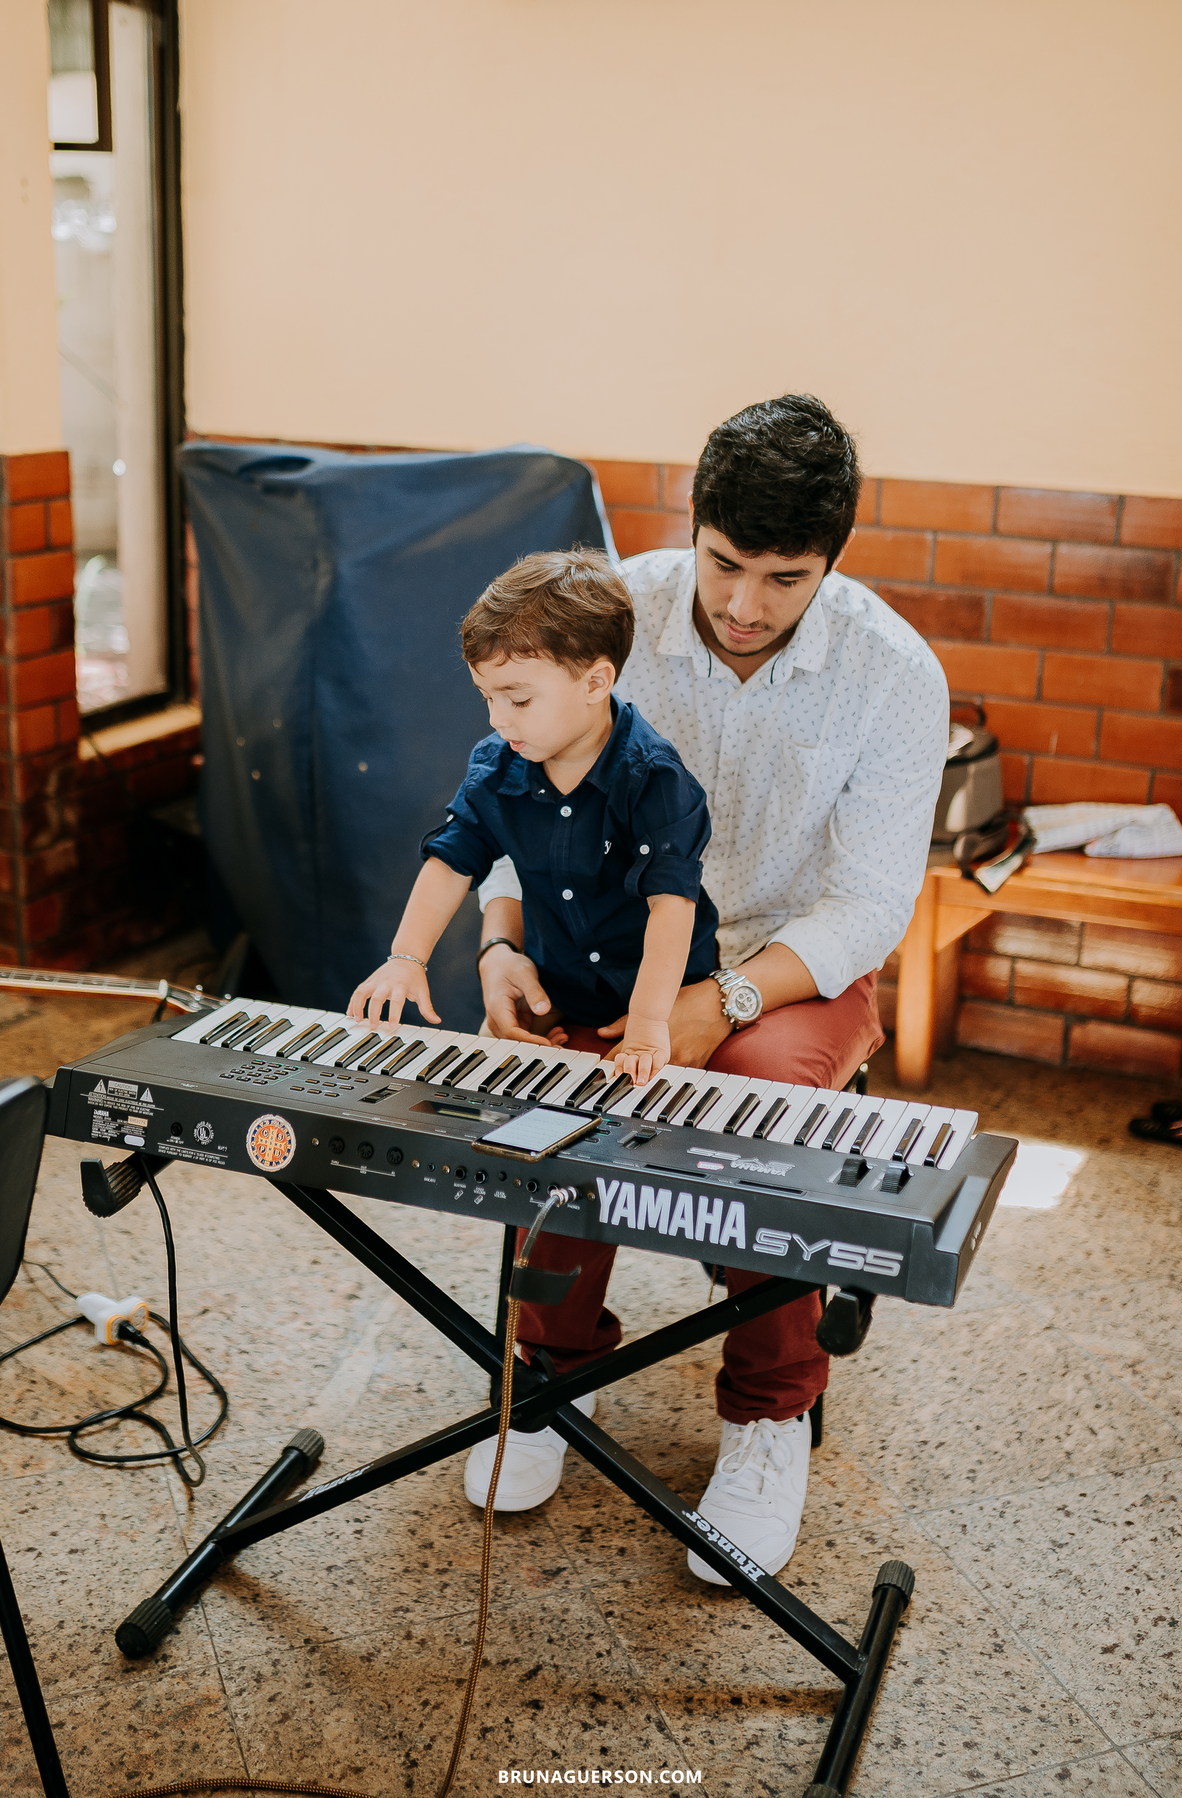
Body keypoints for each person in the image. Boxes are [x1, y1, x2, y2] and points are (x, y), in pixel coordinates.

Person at [470, 393, 950, 1584]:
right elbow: (507, 783)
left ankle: (768, 1410)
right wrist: (497, 937)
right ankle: (551, 1371)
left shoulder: (893, 673)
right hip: (608, 939)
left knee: (758, 1106)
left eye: (783, 578)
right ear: (693, 525)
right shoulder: (607, 611)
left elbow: (871, 905)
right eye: (725, 563)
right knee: (559, 1097)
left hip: (790, 965)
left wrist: (720, 1001)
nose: (742, 606)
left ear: (833, 560)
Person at [348, 549, 721, 1091]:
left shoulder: (654, 780)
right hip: (560, 984)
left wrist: (646, 1025)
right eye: (487, 698)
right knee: (479, 1088)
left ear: (596, 683)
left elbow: (672, 906)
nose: (498, 720)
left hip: (669, 990)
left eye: (518, 699)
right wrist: (407, 957)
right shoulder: (497, 767)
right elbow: (452, 860)